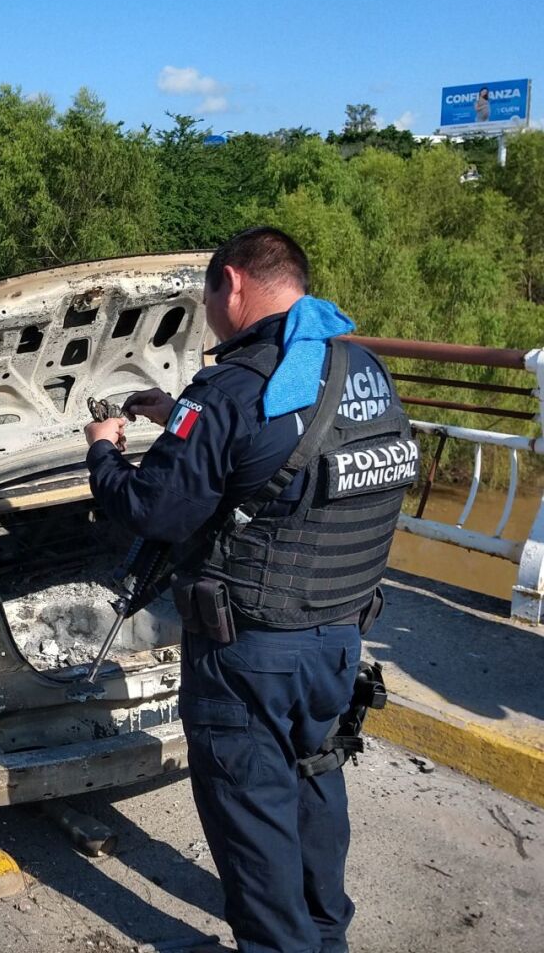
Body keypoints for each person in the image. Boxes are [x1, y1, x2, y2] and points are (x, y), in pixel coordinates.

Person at [84, 227, 414, 953]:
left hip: (251, 651)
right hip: (339, 634)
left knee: (250, 808)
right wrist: (176, 412)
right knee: (317, 774)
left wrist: (103, 451)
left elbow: (153, 510)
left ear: (231, 284)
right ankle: (326, 932)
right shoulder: (357, 369)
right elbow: (276, 450)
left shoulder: (231, 388)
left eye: (207, 298)